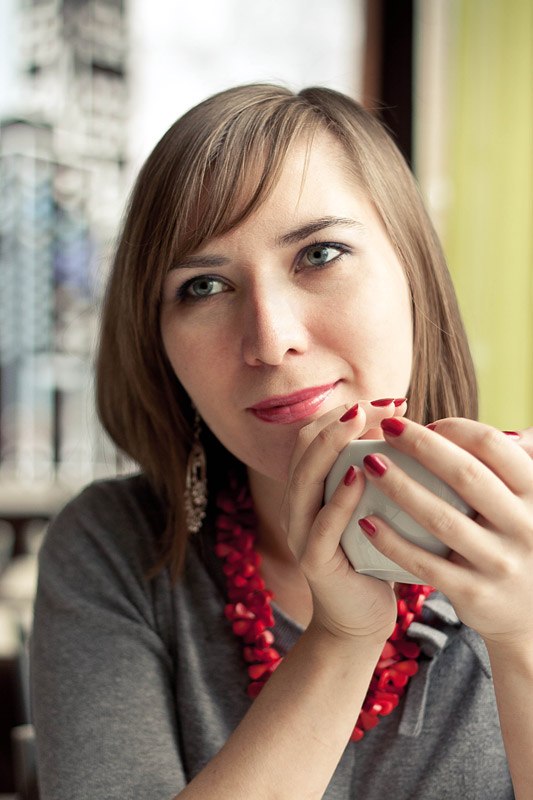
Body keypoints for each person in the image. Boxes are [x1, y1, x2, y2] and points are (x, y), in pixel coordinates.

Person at [30, 84, 533, 800]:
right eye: (204, 287)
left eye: (320, 254)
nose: (270, 339)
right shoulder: (118, 546)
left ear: (414, 273)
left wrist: (522, 638)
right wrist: (342, 637)